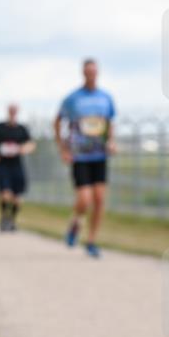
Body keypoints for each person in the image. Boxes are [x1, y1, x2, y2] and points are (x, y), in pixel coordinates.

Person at [54, 58, 116, 258]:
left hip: (99, 154)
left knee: (99, 199)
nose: (91, 74)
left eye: (94, 71)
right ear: (83, 73)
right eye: (88, 71)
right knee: (84, 199)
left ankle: (91, 241)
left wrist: (112, 141)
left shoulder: (106, 97)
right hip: (79, 155)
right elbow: (57, 121)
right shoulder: (73, 98)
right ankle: (76, 222)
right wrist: (62, 147)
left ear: (98, 73)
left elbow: (109, 123)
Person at [0, 104, 35, 232]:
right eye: (11, 110)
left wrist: (24, 149)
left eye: (15, 111)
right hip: (3, 164)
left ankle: (12, 220)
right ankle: (4, 218)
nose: (12, 113)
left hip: (17, 164)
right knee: (5, 193)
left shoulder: (22, 129)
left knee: (17, 197)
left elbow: (31, 144)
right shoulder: (0, 127)